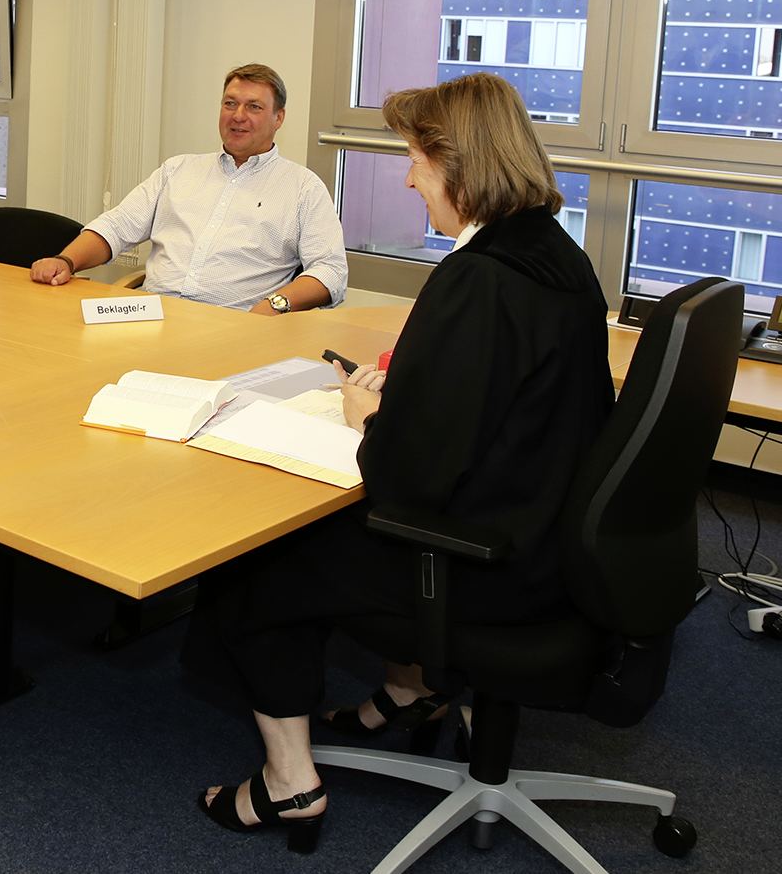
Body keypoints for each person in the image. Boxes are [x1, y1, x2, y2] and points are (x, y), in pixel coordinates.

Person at [186, 72, 613, 852]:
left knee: (256, 561)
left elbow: (409, 479)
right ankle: (405, 693)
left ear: (460, 163)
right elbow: (495, 411)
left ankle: (289, 785)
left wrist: (369, 415)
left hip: (491, 565)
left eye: (417, 159)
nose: (410, 177)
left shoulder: (477, 280)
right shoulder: (554, 252)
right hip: (552, 535)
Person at [28, 64, 348, 313]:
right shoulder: (179, 169)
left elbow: (331, 270)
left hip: (235, 323)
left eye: (254, 107)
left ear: (279, 118)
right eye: (230, 103)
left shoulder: (303, 188)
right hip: (151, 314)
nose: (238, 116)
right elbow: (117, 226)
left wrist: (273, 307)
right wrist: (66, 261)